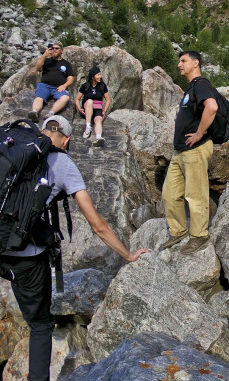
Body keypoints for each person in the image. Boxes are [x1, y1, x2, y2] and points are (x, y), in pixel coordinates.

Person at [0, 115, 150, 381]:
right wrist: (127, 255)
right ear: (67, 140)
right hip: (24, 259)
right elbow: (98, 225)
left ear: (42, 130)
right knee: (41, 325)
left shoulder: (10, 145)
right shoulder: (63, 163)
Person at [160, 50, 218, 255]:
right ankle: (178, 230)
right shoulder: (191, 88)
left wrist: (199, 134)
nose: (179, 65)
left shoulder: (201, 84)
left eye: (183, 61)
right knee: (169, 194)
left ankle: (199, 235)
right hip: (180, 151)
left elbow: (212, 107)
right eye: (178, 61)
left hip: (195, 149)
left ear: (196, 63)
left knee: (195, 194)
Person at [28, 42, 75, 122]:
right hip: (45, 85)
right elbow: (38, 68)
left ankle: (51, 113)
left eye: (57, 48)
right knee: (39, 97)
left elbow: (71, 78)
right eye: (53, 48)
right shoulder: (47, 60)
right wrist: (44, 56)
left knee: (65, 97)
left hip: (58, 88)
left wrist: (64, 85)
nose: (54, 50)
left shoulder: (66, 64)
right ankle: (34, 112)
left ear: (62, 51)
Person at [76, 66, 110, 147]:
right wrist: (80, 109)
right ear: (92, 76)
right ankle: (88, 127)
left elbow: (108, 99)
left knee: (98, 120)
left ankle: (98, 137)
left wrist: (104, 111)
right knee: (90, 101)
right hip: (87, 106)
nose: (100, 77)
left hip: (98, 108)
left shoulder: (102, 86)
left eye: (100, 75)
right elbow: (77, 99)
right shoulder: (85, 86)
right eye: (98, 75)